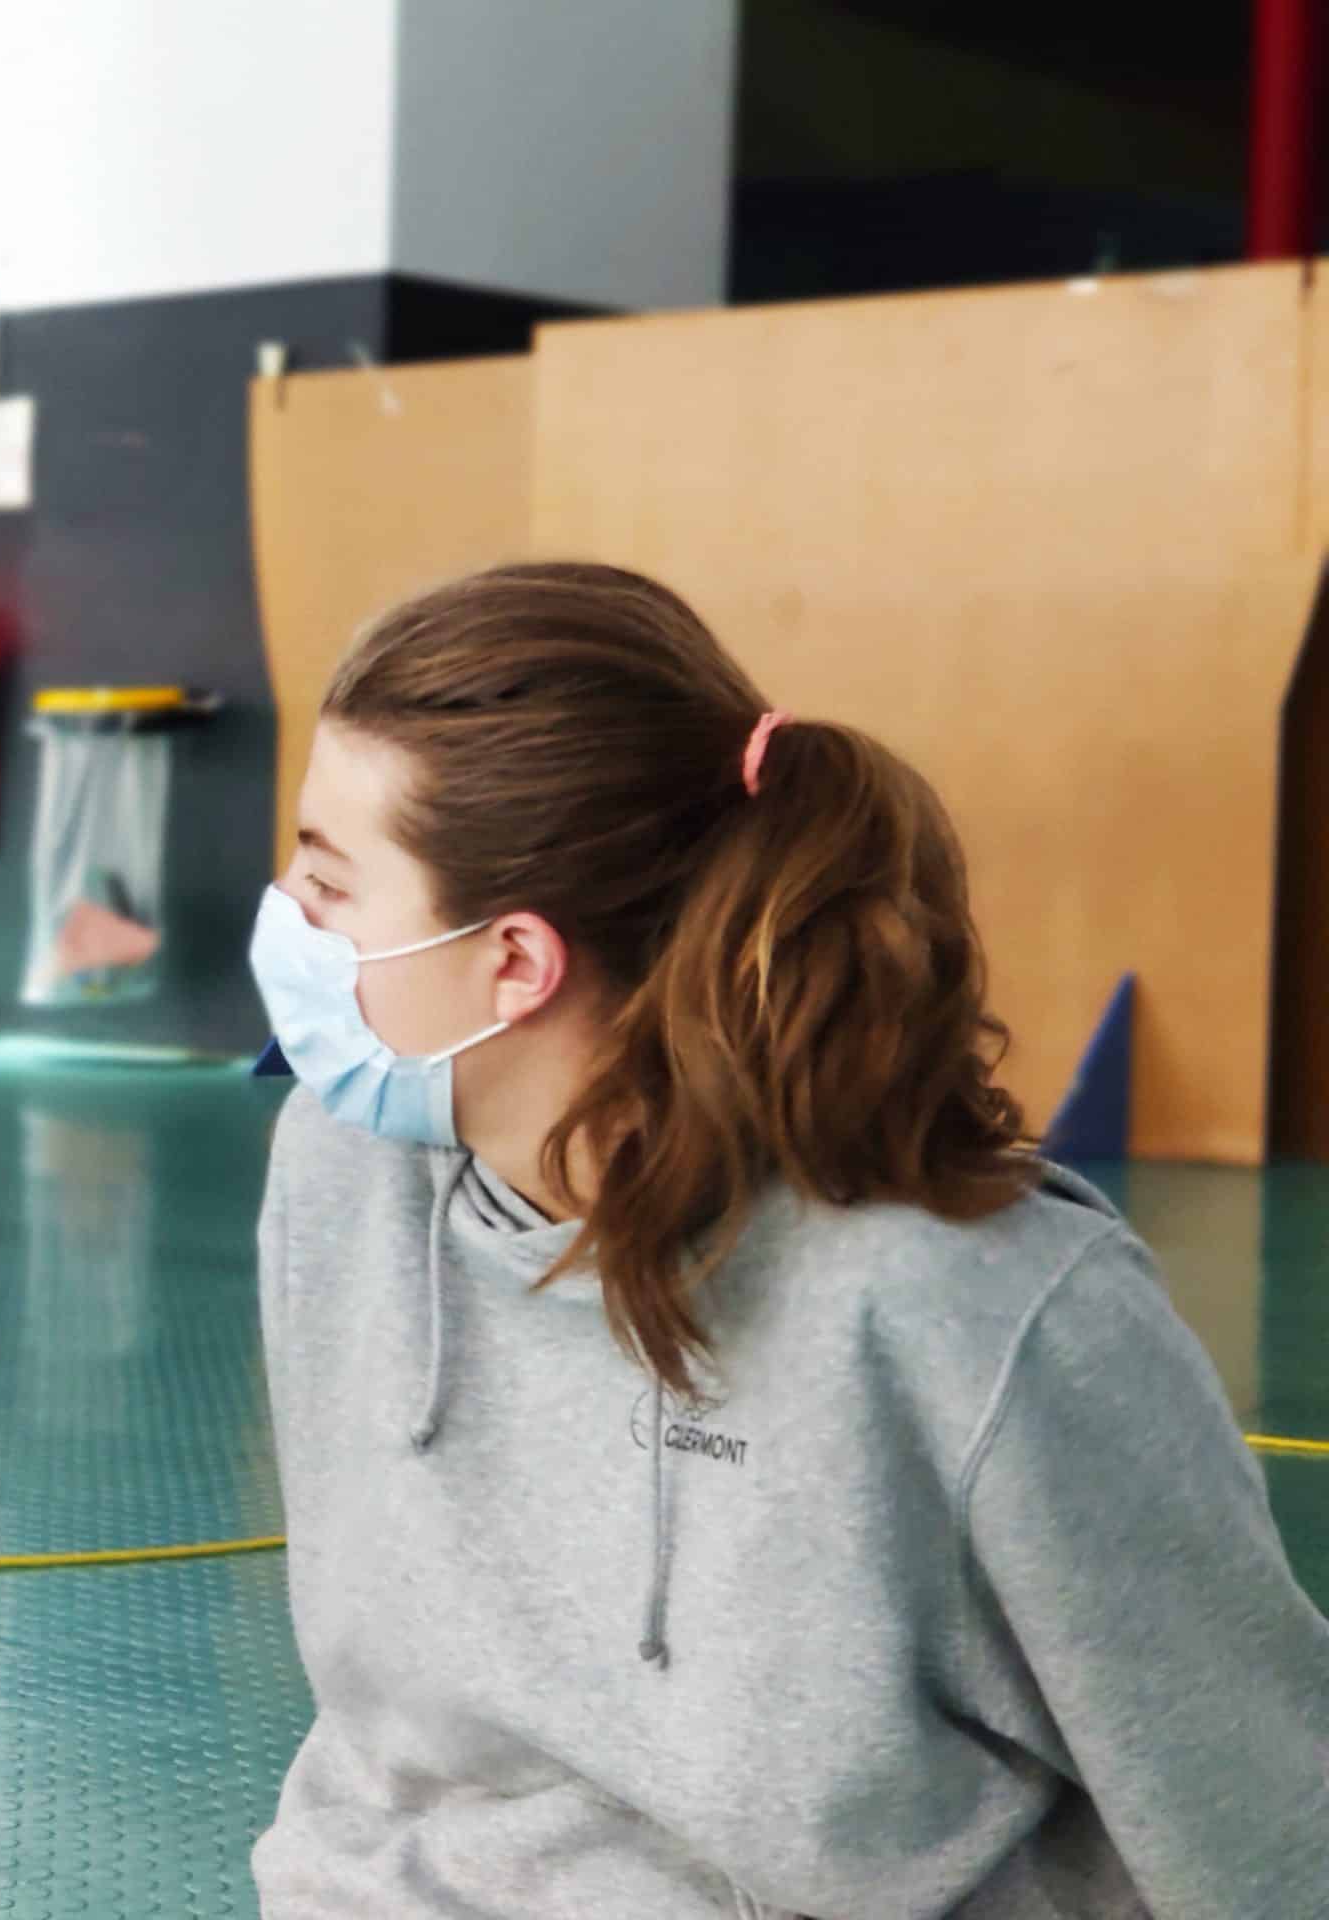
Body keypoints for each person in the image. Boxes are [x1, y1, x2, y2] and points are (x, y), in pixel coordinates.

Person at [247, 562, 1329, 1917]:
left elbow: (1263, 1815)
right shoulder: (341, 1176)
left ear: (514, 961)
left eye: (328, 882)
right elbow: (386, 1761)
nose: (288, 921)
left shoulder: (972, 1304)